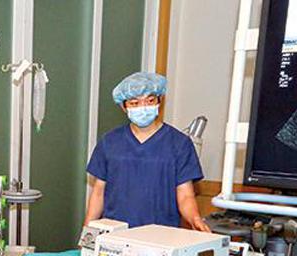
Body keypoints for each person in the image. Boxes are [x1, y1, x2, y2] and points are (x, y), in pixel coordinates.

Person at [84, 72, 210, 232]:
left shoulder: (179, 144)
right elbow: (98, 193)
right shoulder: (109, 142)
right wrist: (87, 232)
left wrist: (195, 219)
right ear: (124, 107)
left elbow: (185, 195)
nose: (143, 107)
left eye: (150, 101)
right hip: (115, 233)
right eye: (134, 103)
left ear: (159, 101)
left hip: (161, 234)